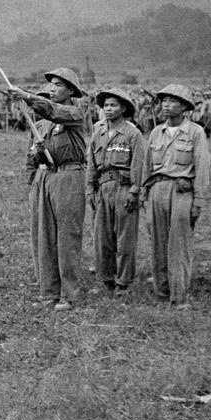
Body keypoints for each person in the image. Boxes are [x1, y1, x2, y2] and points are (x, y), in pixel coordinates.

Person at [14, 68, 89, 312]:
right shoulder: (40, 125)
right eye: (51, 85)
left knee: (67, 237)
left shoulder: (74, 113)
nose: (53, 89)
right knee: (43, 237)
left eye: (58, 85)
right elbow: (30, 158)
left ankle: (70, 295)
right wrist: (31, 180)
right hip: (44, 177)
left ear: (70, 90)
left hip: (69, 177)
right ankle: (49, 293)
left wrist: (26, 96)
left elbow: (54, 111)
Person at [140, 84, 210, 310]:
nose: (165, 105)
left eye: (172, 101)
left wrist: (198, 201)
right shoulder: (155, 132)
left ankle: (179, 296)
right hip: (157, 190)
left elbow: (202, 167)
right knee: (158, 243)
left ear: (184, 107)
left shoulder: (195, 132)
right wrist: (143, 193)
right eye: (164, 101)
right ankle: (161, 292)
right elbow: (147, 166)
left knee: (179, 245)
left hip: (181, 191)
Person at [86, 88, 145, 296]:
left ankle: (123, 282)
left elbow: (139, 164)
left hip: (124, 188)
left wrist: (135, 191)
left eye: (114, 105)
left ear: (123, 108)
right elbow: (91, 163)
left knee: (125, 238)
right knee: (102, 237)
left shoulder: (132, 133)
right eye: (106, 105)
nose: (109, 109)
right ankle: (107, 278)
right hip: (103, 188)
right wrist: (90, 189)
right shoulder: (98, 133)